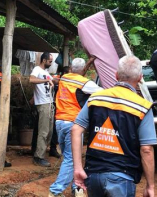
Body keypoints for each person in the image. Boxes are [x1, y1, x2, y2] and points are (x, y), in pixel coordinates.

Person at [72, 55, 156, 197]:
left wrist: (78, 168)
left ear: (116, 75)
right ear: (140, 78)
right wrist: (150, 186)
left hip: (93, 176)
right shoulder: (143, 107)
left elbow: (75, 129)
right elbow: (146, 149)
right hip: (122, 177)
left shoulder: (95, 98)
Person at [49, 57, 102, 197]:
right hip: (73, 124)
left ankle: (77, 189)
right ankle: (55, 191)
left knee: (70, 157)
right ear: (84, 69)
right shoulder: (85, 83)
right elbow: (102, 92)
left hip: (59, 122)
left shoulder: (64, 78)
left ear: (71, 68)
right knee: (72, 158)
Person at [30, 52, 60, 167]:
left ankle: (40, 152)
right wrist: (46, 81)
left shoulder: (46, 72)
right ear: (44, 60)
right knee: (43, 131)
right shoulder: (37, 69)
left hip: (49, 103)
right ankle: (38, 157)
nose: (51, 63)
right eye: (50, 61)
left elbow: (53, 80)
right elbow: (31, 80)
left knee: (49, 132)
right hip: (42, 104)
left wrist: (61, 79)